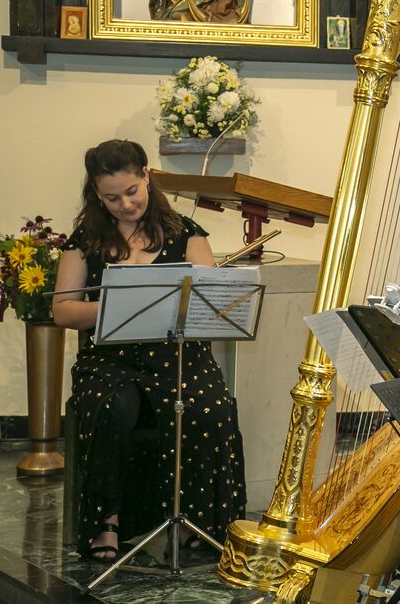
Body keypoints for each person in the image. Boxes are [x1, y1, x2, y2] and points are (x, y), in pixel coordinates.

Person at [53, 139, 247, 563]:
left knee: (210, 407)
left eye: (131, 191)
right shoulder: (86, 239)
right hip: (110, 359)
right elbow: (63, 310)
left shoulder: (186, 233)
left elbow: (207, 305)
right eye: (111, 198)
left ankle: (198, 522)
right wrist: (118, 305)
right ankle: (107, 522)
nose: (125, 205)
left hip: (178, 356)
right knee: (111, 405)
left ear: (146, 176)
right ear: (96, 194)